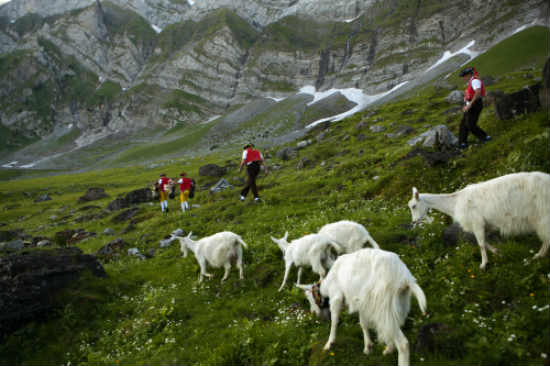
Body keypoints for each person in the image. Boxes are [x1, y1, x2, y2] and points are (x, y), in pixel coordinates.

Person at [458, 67, 491, 149]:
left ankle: (485, 137)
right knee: (463, 124)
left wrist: (470, 105)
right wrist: (466, 103)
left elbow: (478, 92)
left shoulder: (475, 81)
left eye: (464, 76)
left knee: (470, 124)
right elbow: (471, 93)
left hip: (475, 104)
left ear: (469, 75)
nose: (463, 78)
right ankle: (462, 142)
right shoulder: (471, 81)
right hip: (471, 104)